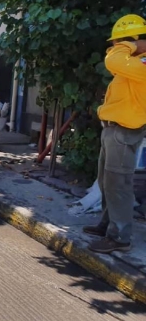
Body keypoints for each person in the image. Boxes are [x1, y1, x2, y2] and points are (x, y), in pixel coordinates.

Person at [85, 14, 146, 254]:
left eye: (119, 42)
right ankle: (108, 225)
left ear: (135, 40)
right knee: (106, 182)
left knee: (118, 185)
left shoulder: (140, 63)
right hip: (113, 130)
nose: (113, 46)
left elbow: (114, 61)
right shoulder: (133, 64)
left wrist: (129, 45)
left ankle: (120, 237)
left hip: (125, 132)